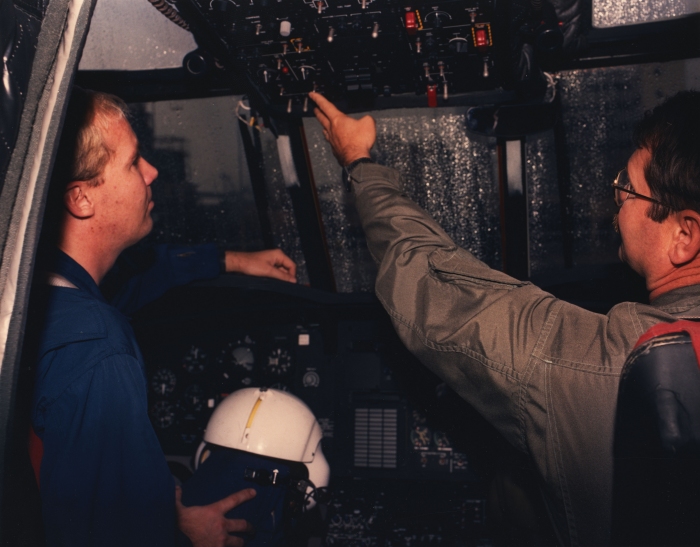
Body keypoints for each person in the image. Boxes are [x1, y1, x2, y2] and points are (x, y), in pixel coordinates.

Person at [309, 90, 700, 546]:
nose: (617, 200)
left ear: (683, 235)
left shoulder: (599, 363)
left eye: (627, 187)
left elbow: (428, 280)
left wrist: (358, 160)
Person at [27, 88, 297, 547]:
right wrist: (182, 533)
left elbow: (141, 277)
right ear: (82, 198)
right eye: (133, 163)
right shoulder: (98, 349)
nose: (152, 171)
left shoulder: (38, 290)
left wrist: (232, 260)